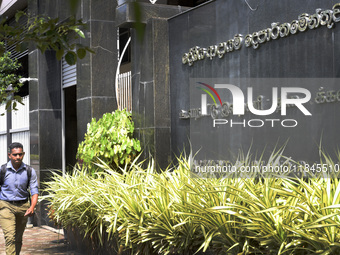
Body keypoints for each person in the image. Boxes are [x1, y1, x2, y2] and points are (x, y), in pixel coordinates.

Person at [0, 142, 39, 255]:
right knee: (10, 237)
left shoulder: (29, 171)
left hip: (23, 207)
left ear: (23, 154)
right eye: (15, 154)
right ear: (9, 155)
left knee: (18, 238)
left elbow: (34, 191)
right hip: (6, 206)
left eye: (20, 154)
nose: (18, 157)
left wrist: (32, 207)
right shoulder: (3, 170)